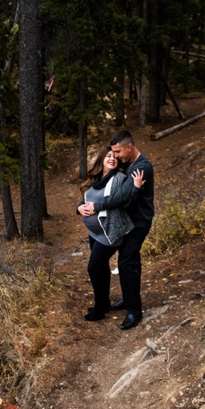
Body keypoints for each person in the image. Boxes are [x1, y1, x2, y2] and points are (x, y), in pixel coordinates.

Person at [79, 130, 154, 330]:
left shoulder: (142, 167)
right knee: (126, 263)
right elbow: (96, 192)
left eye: (118, 152)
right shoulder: (129, 165)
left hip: (137, 223)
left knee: (127, 263)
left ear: (129, 147)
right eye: (112, 154)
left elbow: (122, 198)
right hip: (126, 222)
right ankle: (128, 300)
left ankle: (134, 311)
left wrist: (97, 207)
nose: (116, 156)